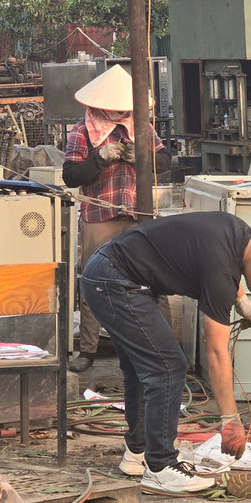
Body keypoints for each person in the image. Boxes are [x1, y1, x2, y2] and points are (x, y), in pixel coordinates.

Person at [81, 211, 251, 493]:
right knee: (168, 366)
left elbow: (221, 265)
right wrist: (230, 420)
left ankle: (138, 454)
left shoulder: (241, 233)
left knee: (144, 368)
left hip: (112, 271)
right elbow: (215, 352)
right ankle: (161, 467)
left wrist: (242, 301)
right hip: (114, 281)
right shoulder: (221, 271)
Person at [63, 64, 174, 374]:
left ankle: (166, 348)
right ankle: (88, 349)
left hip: (139, 213)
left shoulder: (142, 127)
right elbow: (71, 176)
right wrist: (100, 158)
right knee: (94, 279)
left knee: (152, 279)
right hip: (101, 214)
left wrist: (140, 155)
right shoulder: (83, 130)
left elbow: (165, 161)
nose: (119, 113)